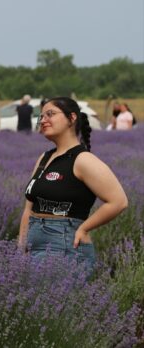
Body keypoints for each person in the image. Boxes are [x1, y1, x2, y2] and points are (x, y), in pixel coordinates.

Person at [19, 97, 128, 276]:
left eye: (50, 114)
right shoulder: (44, 158)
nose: (43, 120)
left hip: (63, 245)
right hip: (34, 243)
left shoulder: (83, 160)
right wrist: (20, 249)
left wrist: (84, 228)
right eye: (41, 116)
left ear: (72, 118)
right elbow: (28, 209)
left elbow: (119, 201)